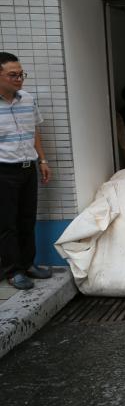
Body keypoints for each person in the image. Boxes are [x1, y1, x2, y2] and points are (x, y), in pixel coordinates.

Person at [0, 52, 52, 290]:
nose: (19, 79)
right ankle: (13, 271)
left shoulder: (28, 99)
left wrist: (42, 160)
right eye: (13, 75)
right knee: (7, 223)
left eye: (21, 74)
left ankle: (28, 263)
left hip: (28, 168)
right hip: (4, 171)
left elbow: (34, 131)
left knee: (27, 219)